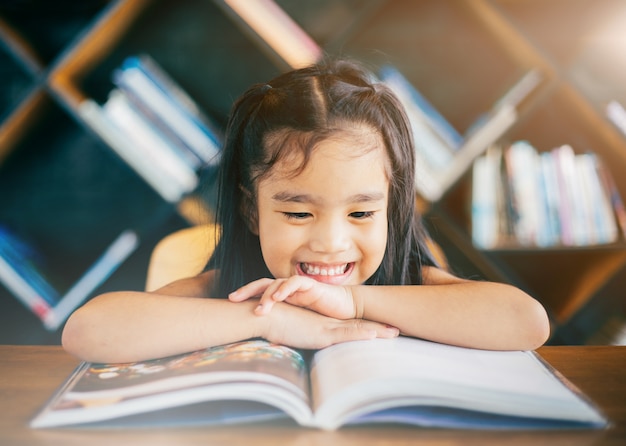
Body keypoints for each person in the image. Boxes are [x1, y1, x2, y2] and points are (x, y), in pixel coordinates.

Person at [62, 59, 550, 363]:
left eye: (361, 214)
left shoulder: (410, 282)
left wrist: (356, 304)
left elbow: (527, 322)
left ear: (392, 210)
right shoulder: (224, 291)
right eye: (298, 214)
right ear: (252, 211)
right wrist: (265, 320)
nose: (331, 243)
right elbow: (88, 331)